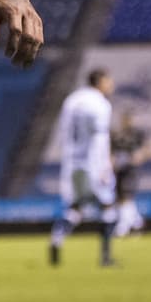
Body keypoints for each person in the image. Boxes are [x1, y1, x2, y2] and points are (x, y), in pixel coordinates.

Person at [51, 68, 117, 267]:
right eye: (109, 81)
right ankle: (106, 257)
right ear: (100, 82)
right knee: (107, 206)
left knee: (76, 205)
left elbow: (63, 131)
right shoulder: (100, 104)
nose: (111, 85)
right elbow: (99, 137)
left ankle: (56, 239)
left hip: (72, 161)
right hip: (93, 162)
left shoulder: (72, 100)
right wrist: (106, 165)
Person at [111, 109, 149, 238]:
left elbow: (147, 150)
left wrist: (140, 156)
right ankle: (137, 223)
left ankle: (123, 227)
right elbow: (111, 151)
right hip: (119, 168)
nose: (126, 122)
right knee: (120, 197)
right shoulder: (117, 134)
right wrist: (111, 163)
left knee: (126, 195)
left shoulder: (138, 133)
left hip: (131, 168)